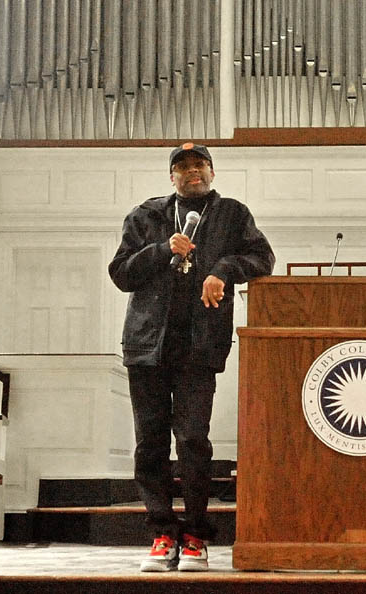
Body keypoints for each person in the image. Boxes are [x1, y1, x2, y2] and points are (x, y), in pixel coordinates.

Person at [108, 142, 275, 572]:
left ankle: (197, 536)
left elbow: (263, 258)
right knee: (150, 445)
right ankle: (162, 535)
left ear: (212, 172)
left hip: (199, 348)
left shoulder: (233, 214)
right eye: (182, 167)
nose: (192, 171)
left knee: (193, 443)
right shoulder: (145, 215)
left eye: (199, 164)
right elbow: (121, 273)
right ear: (172, 177)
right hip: (147, 347)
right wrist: (164, 250)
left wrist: (222, 270)